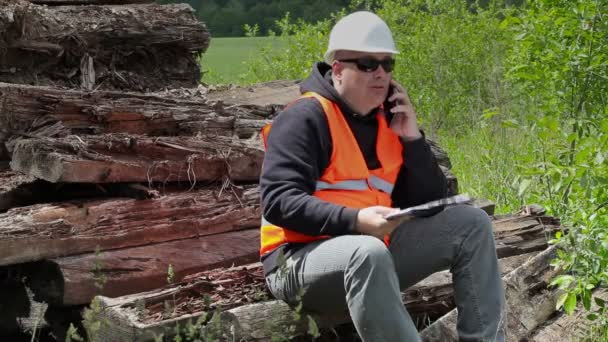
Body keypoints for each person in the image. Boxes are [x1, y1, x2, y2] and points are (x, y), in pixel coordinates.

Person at [258, 11, 505, 342]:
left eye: (388, 65)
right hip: (295, 264)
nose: (380, 74)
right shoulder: (306, 117)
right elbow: (278, 201)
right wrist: (357, 220)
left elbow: (429, 203)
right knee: (366, 252)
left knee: (471, 224)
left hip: (372, 256)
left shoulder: (387, 122)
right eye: (368, 64)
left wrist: (413, 140)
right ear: (338, 69)